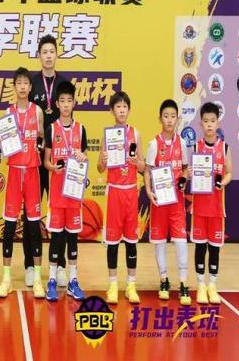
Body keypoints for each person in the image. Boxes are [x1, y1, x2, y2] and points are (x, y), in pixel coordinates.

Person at [0, 67, 45, 299]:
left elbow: (42, 139)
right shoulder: (8, 113)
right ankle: (6, 278)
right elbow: (2, 146)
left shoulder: (37, 111)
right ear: (14, 87)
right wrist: (0, 142)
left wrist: (40, 146)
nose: (23, 86)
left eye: (26, 83)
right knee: (8, 226)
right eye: (19, 83)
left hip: (33, 172)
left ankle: (37, 278)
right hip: (15, 172)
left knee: (34, 227)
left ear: (30, 87)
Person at [28, 34, 68, 288]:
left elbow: (69, 121)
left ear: (56, 54)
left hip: (59, 160)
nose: (49, 56)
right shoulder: (31, 83)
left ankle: (60, 265)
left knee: (59, 212)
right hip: (35, 156)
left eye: (52, 51)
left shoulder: (64, 84)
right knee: (31, 213)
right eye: (44, 52)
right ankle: (30, 265)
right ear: (39, 56)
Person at [97, 92, 145, 304]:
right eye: (118, 106)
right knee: (113, 241)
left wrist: (136, 162)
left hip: (131, 192)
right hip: (115, 192)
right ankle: (113, 285)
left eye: (125, 106)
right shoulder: (107, 136)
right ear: (112, 111)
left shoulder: (136, 134)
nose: (122, 110)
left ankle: (131, 285)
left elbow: (143, 167)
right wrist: (103, 160)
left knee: (132, 241)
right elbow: (100, 168)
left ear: (129, 110)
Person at [144, 99, 191, 306]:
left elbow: (185, 169)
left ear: (177, 119)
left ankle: (183, 282)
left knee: (180, 241)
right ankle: (163, 279)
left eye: (173, 116)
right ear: (160, 119)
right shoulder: (154, 144)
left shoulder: (182, 143)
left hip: (177, 202)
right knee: (160, 241)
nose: (170, 120)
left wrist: (184, 178)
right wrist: (148, 191)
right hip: (159, 202)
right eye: (166, 116)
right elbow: (147, 171)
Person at [44, 81, 88, 302]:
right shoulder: (52, 129)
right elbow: (46, 162)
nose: (66, 104)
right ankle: (52, 280)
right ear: (57, 104)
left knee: (72, 238)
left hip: (74, 195)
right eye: (62, 101)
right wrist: (54, 167)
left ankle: (73, 281)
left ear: (74, 103)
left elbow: (85, 159)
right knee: (56, 238)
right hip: (57, 194)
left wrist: (83, 157)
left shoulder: (81, 129)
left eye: (69, 100)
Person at [191, 102, 232, 304]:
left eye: (212, 121)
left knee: (214, 248)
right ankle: (201, 285)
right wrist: (190, 173)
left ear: (218, 123)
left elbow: (229, 172)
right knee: (200, 247)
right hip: (199, 208)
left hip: (216, 208)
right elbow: (188, 172)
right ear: (201, 123)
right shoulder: (196, 147)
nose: (209, 124)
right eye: (206, 121)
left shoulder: (224, 148)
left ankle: (212, 285)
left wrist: (223, 181)